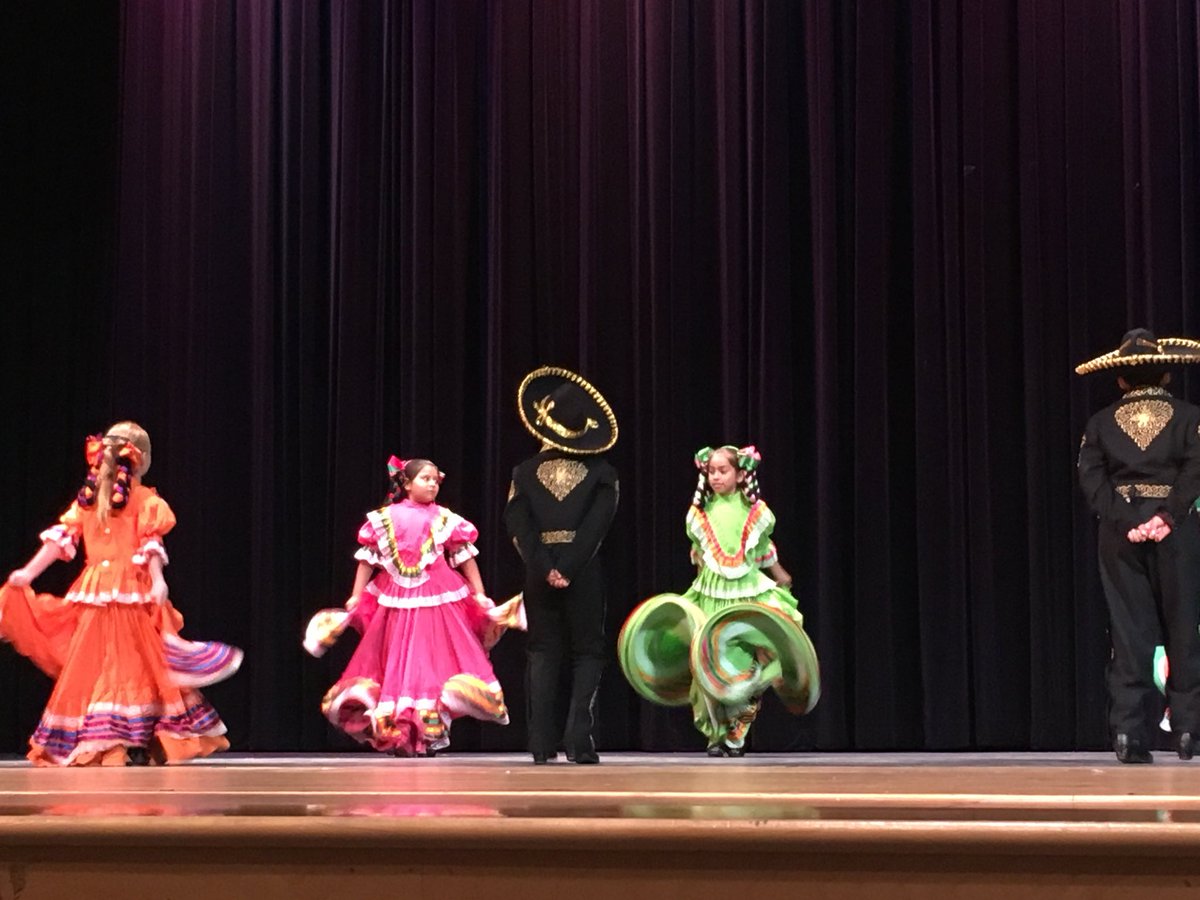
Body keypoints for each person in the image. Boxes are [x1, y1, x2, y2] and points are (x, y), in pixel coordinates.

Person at [0, 422, 242, 766]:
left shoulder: (138, 502)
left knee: (124, 668)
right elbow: (65, 541)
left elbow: (147, 545)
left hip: (120, 593)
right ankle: (113, 741)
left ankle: (120, 741)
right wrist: (27, 573)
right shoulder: (94, 503)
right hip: (108, 594)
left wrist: (158, 580)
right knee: (109, 667)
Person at [307, 456, 522, 756]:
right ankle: (402, 731)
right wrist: (356, 596)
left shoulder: (445, 518)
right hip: (396, 601)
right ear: (406, 484)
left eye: (435, 479)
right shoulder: (385, 518)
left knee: (429, 665)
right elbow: (368, 559)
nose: (432, 484)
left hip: (437, 600)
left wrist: (479, 593)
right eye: (425, 479)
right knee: (399, 665)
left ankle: (427, 733)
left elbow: (464, 556)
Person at [618, 445, 819, 756]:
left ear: (740, 475)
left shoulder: (757, 513)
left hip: (747, 593)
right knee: (705, 665)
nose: (715, 476)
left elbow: (763, 550)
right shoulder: (698, 516)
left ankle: (736, 734)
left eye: (723, 471)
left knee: (740, 666)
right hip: (711, 594)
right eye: (711, 471)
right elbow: (700, 559)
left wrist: (781, 575)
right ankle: (714, 735)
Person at [1076, 328, 1200, 763]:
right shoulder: (1189, 417)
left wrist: (1129, 520)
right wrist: (1166, 517)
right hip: (1178, 532)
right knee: (1185, 626)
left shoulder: (1100, 423)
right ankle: (1188, 729)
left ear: (1121, 380)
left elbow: (1092, 480)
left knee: (1129, 632)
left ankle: (1129, 732)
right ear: (1166, 376)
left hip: (1120, 533)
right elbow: (1195, 471)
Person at [504, 367, 619, 764]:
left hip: (538, 573)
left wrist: (543, 567)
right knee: (588, 652)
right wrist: (567, 567)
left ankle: (540, 744)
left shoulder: (523, 472)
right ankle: (578, 742)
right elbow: (596, 527)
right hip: (583, 570)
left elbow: (517, 525)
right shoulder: (602, 473)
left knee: (542, 652)